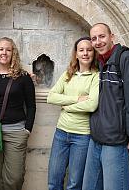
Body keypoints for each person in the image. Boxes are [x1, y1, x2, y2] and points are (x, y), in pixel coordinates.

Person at [82, 23, 129, 190]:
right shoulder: (101, 62)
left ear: (112, 37)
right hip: (96, 138)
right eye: (94, 38)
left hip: (116, 141)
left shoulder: (126, 59)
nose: (98, 42)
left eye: (102, 36)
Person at [0, 37, 36, 190]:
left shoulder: (23, 77)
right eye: (1, 49)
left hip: (16, 131)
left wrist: (27, 129)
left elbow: (31, 106)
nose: (4, 53)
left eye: (8, 49)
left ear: (13, 53)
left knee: (15, 178)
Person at [47, 37, 99, 190]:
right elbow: (51, 97)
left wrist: (67, 106)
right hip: (61, 133)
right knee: (53, 181)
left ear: (93, 53)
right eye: (81, 50)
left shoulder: (96, 76)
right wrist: (76, 99)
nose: (85, 53)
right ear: (76, 54)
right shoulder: (68, 74)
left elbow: (91, 105)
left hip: (82, 136)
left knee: (74, 184)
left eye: (89, 50)